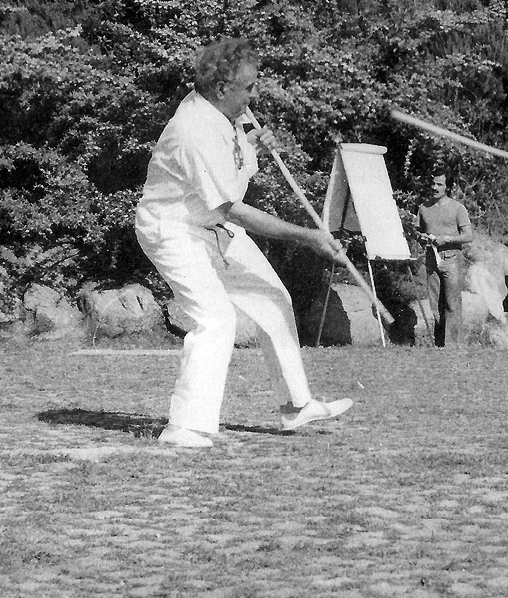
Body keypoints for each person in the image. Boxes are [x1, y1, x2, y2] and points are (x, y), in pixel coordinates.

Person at [135, 37, 354, 448]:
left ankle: (296, 405)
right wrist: (308, 236)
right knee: (215, 319)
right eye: (249, 87)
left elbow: (230, 170)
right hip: (174, 230)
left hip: (211, 224)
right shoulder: (193, 130)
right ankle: (184, 427)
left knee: (273, 296)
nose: (255, 94)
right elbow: (232, 207)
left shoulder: (221, 114)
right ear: (222, 88)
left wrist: (251, 146)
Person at [418, 168, 473, 347]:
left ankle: (453, 346)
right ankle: (440, 345)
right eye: (433, 183)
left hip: (452, 259)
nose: (435, 187)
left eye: (439, 184)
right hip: (432, 260)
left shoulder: (458, 208)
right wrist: (421, 238)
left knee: (452, 303)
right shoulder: (423, 208)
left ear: (447, 187)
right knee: (435, 305)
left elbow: (468, 236)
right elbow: (417, 232)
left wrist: (447, 239)